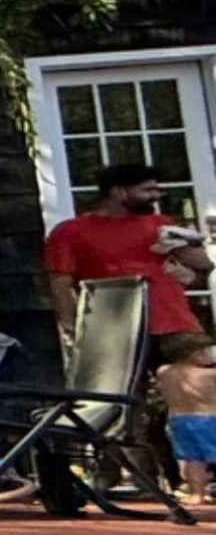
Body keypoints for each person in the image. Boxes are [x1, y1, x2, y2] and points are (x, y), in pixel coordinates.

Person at [43, 161, 210, 347]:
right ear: (118, 192)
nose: (155, 196)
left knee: (201, 372)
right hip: (113, 331)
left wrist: (185, 243)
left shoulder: (160, 224)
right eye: (147, 190)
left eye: (157, 190)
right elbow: (60, 284)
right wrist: (72, 327)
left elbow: (204, 265)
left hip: (175, 323)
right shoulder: (70, 231)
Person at [149, 329, 216, 503]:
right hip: (208, 420)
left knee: (193, 460)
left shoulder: (164, 371)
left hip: (179, 421)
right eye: (207, 351)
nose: (211, 354)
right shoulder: (209, 375)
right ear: (193, 354)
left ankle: (197, 494)